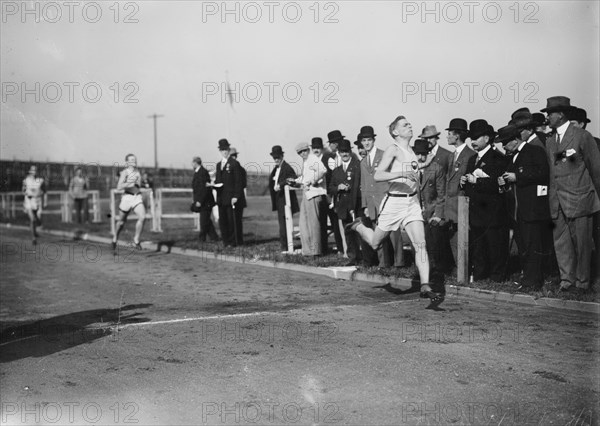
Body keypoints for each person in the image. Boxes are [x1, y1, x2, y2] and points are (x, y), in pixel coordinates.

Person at [347, 115, 442, 305]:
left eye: (410, 123)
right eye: (405, 125)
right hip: (394, 203)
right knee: (375, 243)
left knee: (420, 243)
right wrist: (401, 173)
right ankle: (359, 227)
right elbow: (378, 174)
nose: (410, 126)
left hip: (412, 203)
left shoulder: (412, 151)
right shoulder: (393, 149)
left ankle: (425, 285)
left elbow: (412, 171)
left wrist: (423, 165)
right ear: (395, 132)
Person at [542, 96, 600, 292]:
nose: (547, 116)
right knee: (562, 243)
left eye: (550, 113)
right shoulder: (550, 141)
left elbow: (596, 169)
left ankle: (583, 283)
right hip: (557, 201)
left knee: (583, 244)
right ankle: (567, 281)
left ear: (561, 114)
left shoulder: (582, 136)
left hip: (580, 199)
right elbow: (553, 170)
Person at [497, 124, 550, 290]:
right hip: (518, 212)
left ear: (514, 140)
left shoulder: (535, 151)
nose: (503, 146)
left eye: (505, 142)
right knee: (523, 246)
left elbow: (543, 173)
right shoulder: (513, 157)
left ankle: (533, 281)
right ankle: (527, 278)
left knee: (533, 246)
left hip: (532, 209)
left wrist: (517, 176)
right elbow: (511, 179)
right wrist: (504, 181)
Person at [460, 120, 509, 282]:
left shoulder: (498, 158)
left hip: (492, 212)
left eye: (476, 137)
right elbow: (469, 182)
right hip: (476, 212)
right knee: (479, 246)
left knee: (495, 245)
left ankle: (497, 276)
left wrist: (477, 181)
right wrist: (464, 181)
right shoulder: (472, 158)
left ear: (487, 138)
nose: (472, 141)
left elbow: (499, 184)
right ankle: (480, 275)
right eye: (471, 138)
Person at [357, 125, 404, 268]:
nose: (366, 143)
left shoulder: (384, 155)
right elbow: (364, 185)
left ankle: (399, 264)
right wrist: (365, 205)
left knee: (393, 234)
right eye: (364, 140)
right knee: (378, 233)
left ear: (373, 140)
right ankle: (384, 264)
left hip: (386, 200)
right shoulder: (363, 162)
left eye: (369, 140)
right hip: (372, 204)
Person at [443, 118, 476, 269]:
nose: (447, 136)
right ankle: (459, 268)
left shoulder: (470, 155)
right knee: (454, 238)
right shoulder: (451, 156)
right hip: (451, 205)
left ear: (457, 136)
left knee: (463, 238)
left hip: (462, 204)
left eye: (449, 133)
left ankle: (466, 269)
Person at [413, 139, 446, 274]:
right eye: (418, 154)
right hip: (414, 213)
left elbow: (441, 194)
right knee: (416, 245)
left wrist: (437, 215)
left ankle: (435, 271)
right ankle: (420, 272)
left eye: (423, 154)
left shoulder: (436, 169)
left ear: (429, 154)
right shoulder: (410, 169)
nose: (420, 157)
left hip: (430, 213)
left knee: (432, 246)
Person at [328, 139, 362, 265]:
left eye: (347, 151)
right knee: (348, 232)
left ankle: (365, 257)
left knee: (360, 231)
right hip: (343, 206)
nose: (345, 154)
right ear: (339, 153)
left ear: (350, 151)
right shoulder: (336, 170)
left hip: (355, 204)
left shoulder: (357, 166)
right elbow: (330, 187)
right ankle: (353, 257)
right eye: (342, 152)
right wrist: (338, 188)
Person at [291, 142, 327, 256]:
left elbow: (322, 170)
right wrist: (295, 181)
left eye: (304, 151)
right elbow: (304, 177)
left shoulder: (312, 159)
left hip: (314, 193)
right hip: (307, 194)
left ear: (308, 150)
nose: (302, 154)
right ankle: (307, 251)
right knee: (304, 223)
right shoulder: (306, 162)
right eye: (300, 152)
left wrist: (313, 181)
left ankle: (316, 251)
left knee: (313, 224)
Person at [214, 139, 246, 247]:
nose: (224, 151)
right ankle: (225, 241)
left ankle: (232, 242)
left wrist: (236, 196)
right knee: (222, 221)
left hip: (231, 197)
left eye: (226, 149)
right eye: (222, 150)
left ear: (228, 149)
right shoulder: (218, 165)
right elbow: (218, 180)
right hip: (221, 198)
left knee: (231, 221)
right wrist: (213, 185)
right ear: (220, 151)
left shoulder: (234, 164)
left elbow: (238, 181)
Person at [268, 145, 299, 252]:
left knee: (284, 224)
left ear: (282, 156)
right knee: (282, 224)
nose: (276, 159)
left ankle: (286, 247)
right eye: (274, 157)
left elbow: (294, 178)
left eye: (278, 157)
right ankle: (284, 246)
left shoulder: (287, 167)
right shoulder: (276, 169)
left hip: (285, 200)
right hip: (279, 199)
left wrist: (281, 185)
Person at [314, 135, 341, 254]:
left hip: (331, 194)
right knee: (324, 223)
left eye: (337, 142)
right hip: (323, 194)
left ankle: (341, 248)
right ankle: (324, 249)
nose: (335, 145)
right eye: (333, 143)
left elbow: (334, 175)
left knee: (336, 222)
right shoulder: (324, 158)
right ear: (329, 144)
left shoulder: (331, 157)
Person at [112, 153, 146, 251]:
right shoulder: (125, 172)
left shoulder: (138, 172)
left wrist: (139, 185)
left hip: (136, 197)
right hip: (127, 198)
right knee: (121, 222)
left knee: (142, 217)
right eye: (131, 160)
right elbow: (119, 187)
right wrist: (129, 184)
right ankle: (115, 238)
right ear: (127, 162)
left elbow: (138, 185)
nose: (134, 161)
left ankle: (136, 240)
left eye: (134, 159)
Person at [192, 156, 219, 243]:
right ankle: (214, 237)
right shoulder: (199, 172)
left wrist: (199, 201)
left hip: (205, 201)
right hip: (204, 201)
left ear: (195, 163)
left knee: (203, 221)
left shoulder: (202, 172)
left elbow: (204, 188)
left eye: (193, 162)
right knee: (206, 220)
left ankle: (202, 239)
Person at [22, 165, 46, 245]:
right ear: (30, 171)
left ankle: (35, 232)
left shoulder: (41, 180)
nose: (34, 172)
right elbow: (23, 190)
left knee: (37, 219)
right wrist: (26, 193)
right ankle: (33, 238)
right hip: (29, 201)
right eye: (32, 170)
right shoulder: (26, 180)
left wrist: (45, 201)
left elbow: (45, 191)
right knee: (32, 219)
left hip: (38, 201)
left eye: (35, 170)